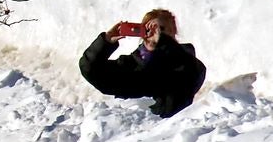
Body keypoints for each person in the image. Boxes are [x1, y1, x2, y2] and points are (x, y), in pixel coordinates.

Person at [78, 8, 206, 117]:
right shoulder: (131, 65)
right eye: (148, 29)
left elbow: (177, 95)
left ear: (173, 32)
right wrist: (105, 42)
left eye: (160, 29)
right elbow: (92, 71)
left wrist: (164, 44)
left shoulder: (190, 66)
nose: (153, 34)